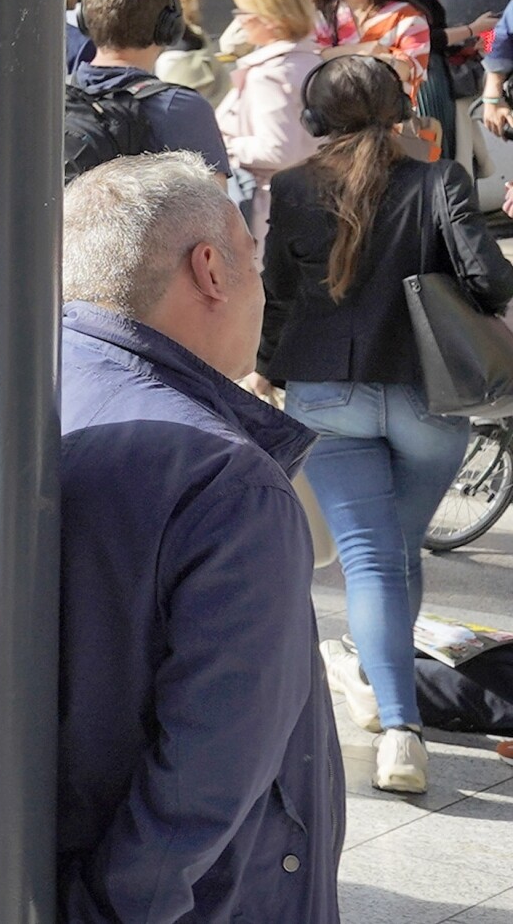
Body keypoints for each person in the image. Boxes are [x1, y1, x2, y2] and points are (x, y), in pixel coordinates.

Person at [57, 155, 338, 915]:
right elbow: (212, 768)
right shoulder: (228, 480)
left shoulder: (26, 387)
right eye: (253, 258)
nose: (264, 285)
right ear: (210, 268)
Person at [255, 54, 513, 793]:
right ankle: (390, 699)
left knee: (373, 561)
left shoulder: (294, 187)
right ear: (402, 112)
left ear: (315, 118)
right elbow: (490, 281)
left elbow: (278, 294)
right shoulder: (439, 180)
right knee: (397, 556)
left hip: (326, 395)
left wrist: (270, 368)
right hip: (429, 394)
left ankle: (401, 729)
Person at [69, 0, 231, 177]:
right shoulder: (180, 108)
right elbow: (216, 203)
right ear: (168, 27)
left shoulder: (54, 101)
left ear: (84, 22)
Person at [223, 0, 327, 217]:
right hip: (312, 194)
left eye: (244, 13)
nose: (239, 21)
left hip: (270, 204)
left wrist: (223, 144)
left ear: (271, 20)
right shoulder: (310, 62)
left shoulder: (268, 74)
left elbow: (277, 150)